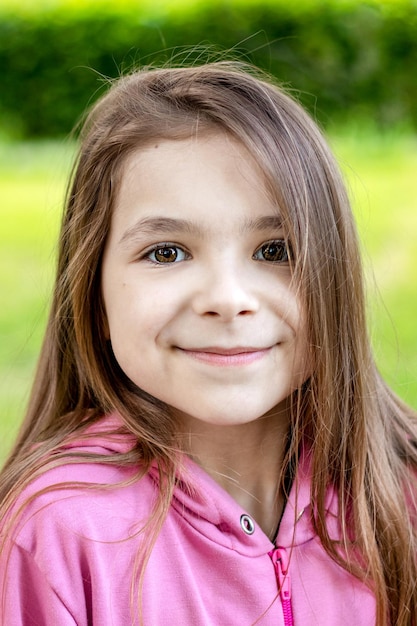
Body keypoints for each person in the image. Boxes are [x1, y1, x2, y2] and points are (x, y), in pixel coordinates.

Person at [0, 61, 416, 626]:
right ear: (94, 295)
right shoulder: (60, 536)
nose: (226, 298)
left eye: (276, 250)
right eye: (166, 252)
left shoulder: (400, 492)